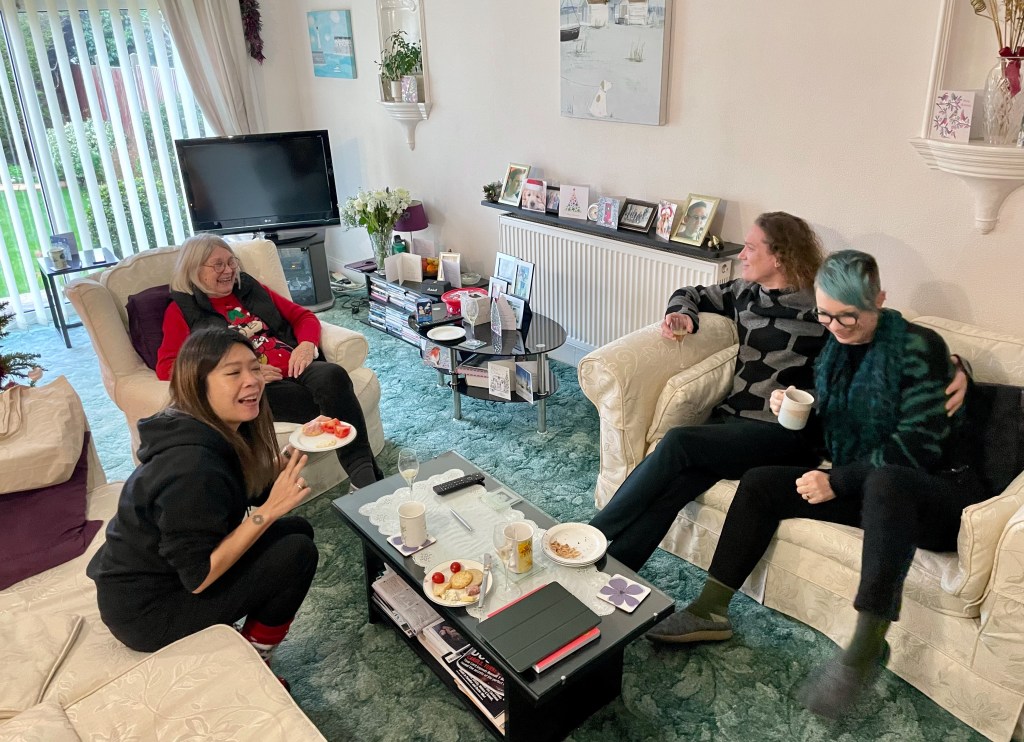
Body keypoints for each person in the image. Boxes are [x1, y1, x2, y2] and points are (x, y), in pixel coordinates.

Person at [645, 250, 991, 719]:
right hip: (867, 483)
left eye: (848, 316)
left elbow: (916, 450)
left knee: (888, 482)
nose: (836, 327)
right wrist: (794, 407)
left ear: (879, 300)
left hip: (937, 492)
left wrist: (837, 480)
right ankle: (710, 610)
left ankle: (866, 647)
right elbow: (836, 426)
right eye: (826, 315)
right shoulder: (836, 348)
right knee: (762, 484)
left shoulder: (919, 348)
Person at [588, 213, 967, 572]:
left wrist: (955, 365)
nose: (741, 254)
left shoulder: (820, 305)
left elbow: (882, 329)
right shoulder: (745, 293)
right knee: (677, 484)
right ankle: (608, 567)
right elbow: (691, 293)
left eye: (751, 247)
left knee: (678, 442)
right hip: (734, 424)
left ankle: (592, 534)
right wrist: (682, 312)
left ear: (780, 256)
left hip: (786, 431)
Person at [88, 329, 318, 683]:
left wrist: (287, 456)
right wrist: (267, 512)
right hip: (148, 612)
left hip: (166, 575)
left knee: (296, 531)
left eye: (254, 367)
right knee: (295, 553)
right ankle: (256, 661)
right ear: (198, 384)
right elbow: (198, 577)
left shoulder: (208, 427)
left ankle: (250, 639)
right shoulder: (191, 467)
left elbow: (241, 490)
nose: (252, 380)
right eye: (233, 372)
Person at [156, 234, 381, 488]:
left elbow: (303, 317)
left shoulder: (250, 289)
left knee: (333, 376)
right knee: (330, 400)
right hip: (258, 387)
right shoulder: (181, 311)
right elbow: (167, 366)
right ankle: (368, 480)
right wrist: (245, 373)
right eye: (218, 265)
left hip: (295, 365)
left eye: (231, 262)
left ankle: (363, 480)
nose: (228, 270)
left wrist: (306, 345)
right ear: (194, 269)